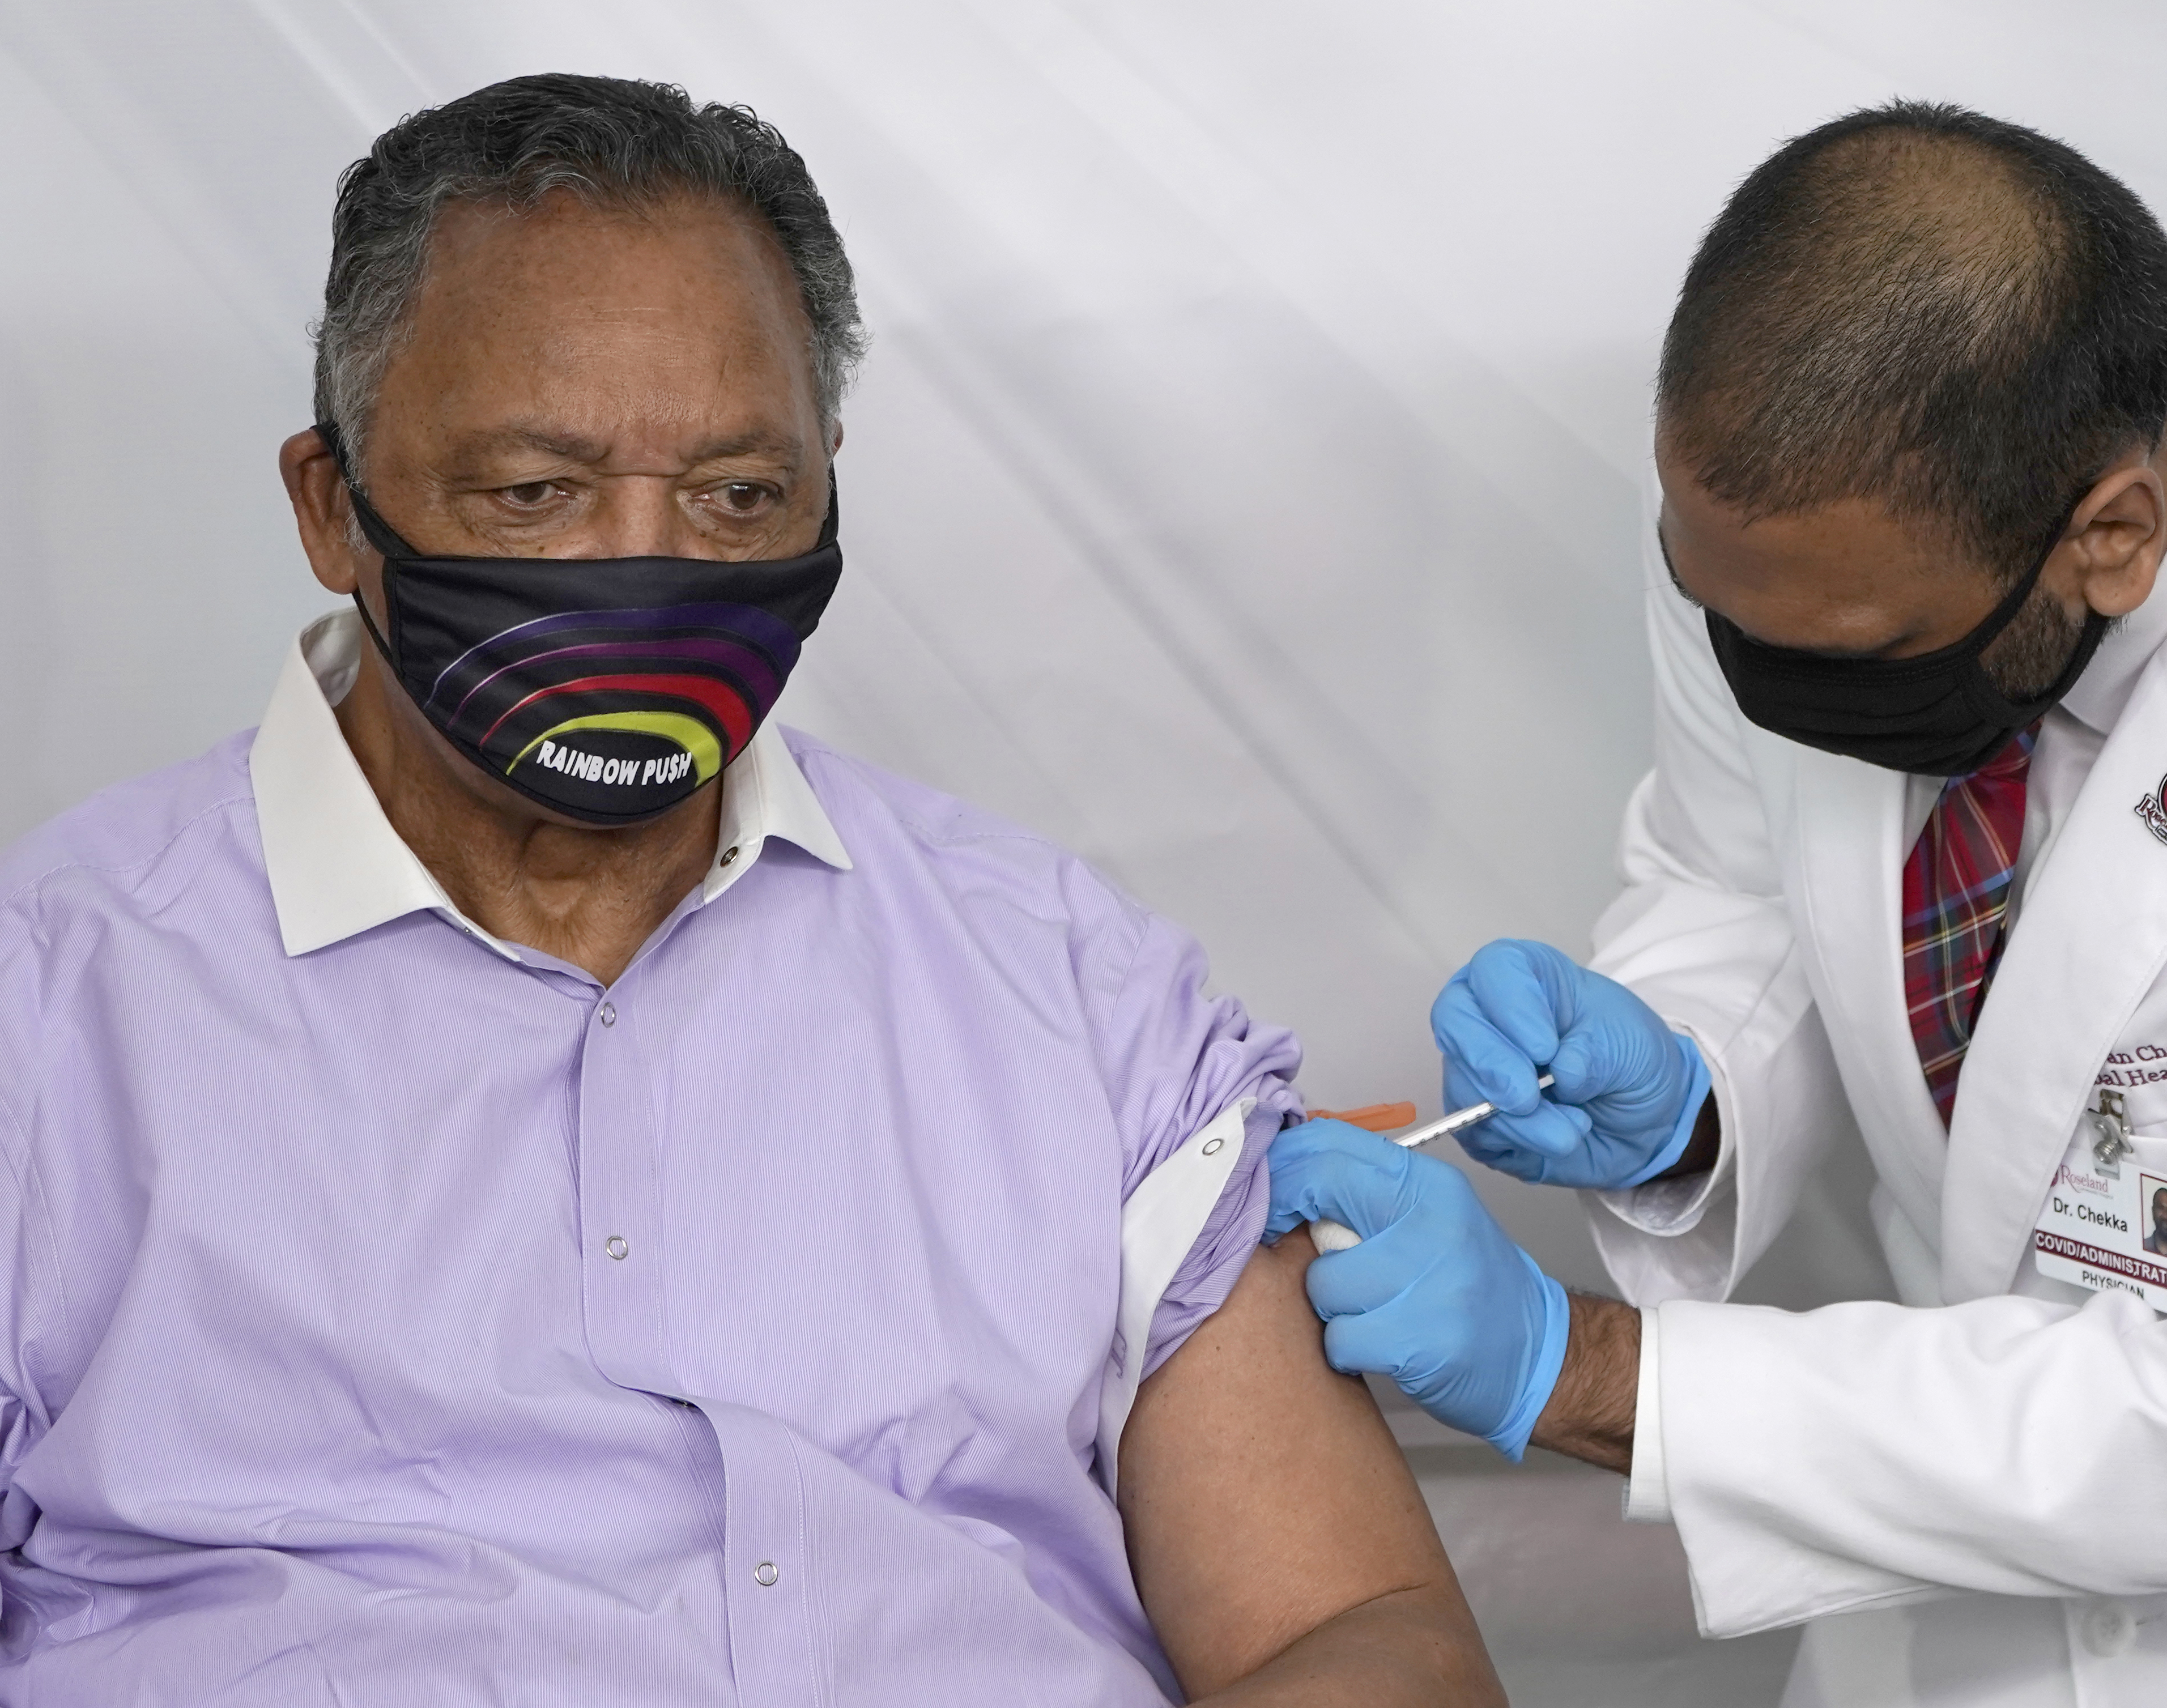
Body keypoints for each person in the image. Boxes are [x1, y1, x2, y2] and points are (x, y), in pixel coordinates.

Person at [0, 74, 1500, 1705]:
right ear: (328, 504)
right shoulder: (48, 1009)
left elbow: (1359, 1632)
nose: (650, 574)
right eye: (534, 494)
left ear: (827, 487)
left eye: (737, 496)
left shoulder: (1071, 988)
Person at [1268, 100, 2167, 1706]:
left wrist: (1583, 1361)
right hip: (1929, 1624)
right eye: (1711, 603)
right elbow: (1741, 870)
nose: (1766, 684)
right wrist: (1683, 1090)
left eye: (1851, 658)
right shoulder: (1795, 520)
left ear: (2111, 534)